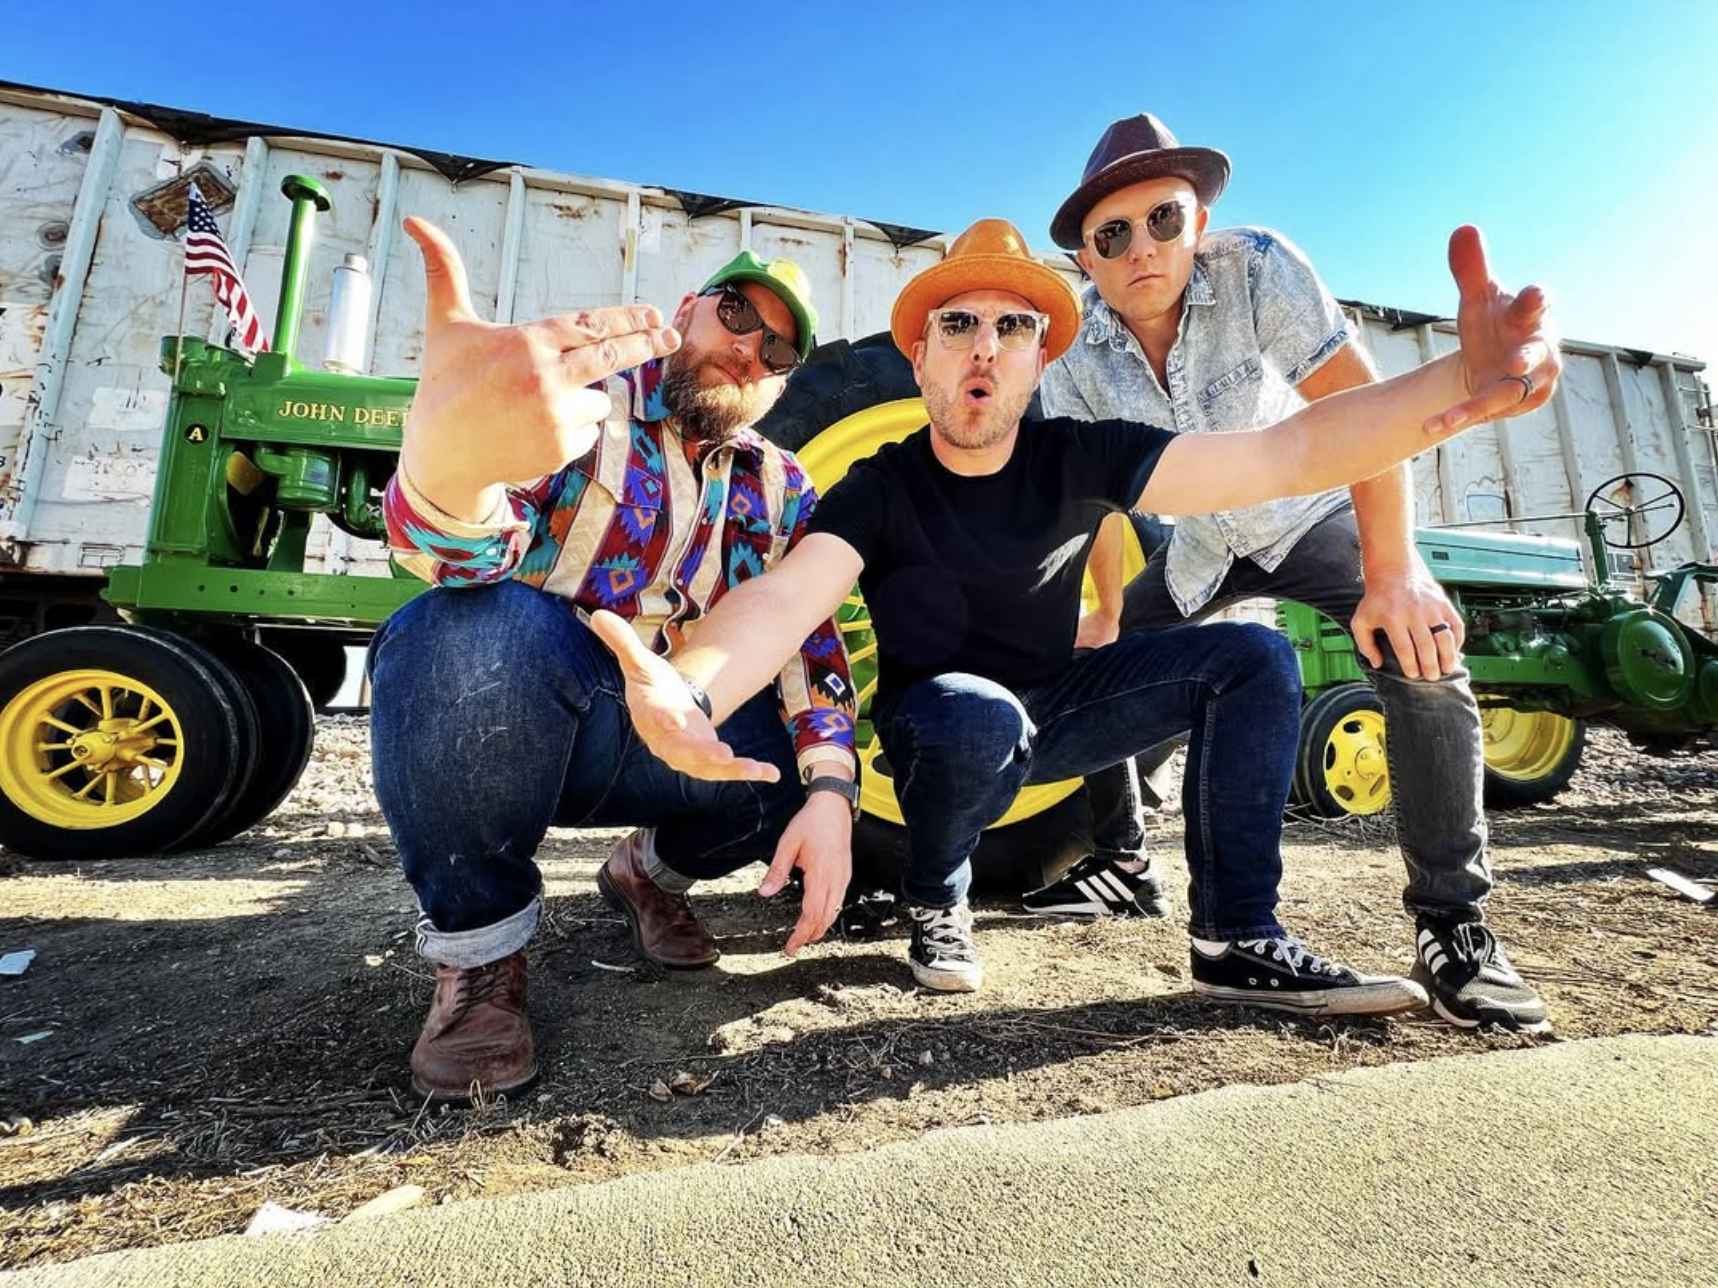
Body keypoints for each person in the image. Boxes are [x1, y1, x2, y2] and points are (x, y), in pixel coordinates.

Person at [587, 217, 1558, 1013]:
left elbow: (1285, 453)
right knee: (974, 710)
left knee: (1254, 658)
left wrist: (1455, 385)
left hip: (1052, 712)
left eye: (1011, 328)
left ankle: (1237, 936)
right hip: (934, 730)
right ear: (919, 356)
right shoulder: (878, 485)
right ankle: (936, 902)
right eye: (958, 324)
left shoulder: (1082, 455)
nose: (983, 347)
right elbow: (784, 596)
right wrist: (689, 686)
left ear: (1038, 358)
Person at [1031, 113, 1551, 1035]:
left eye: (1164, 219)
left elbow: (1362, 410)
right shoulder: (1071, 353)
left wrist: (1395, 570)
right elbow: (1097, 506)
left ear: (1198, 222)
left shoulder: (1259, 267)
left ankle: (1454, 927)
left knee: (1422, 652)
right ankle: (1124, 860)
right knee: (1096, 668)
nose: (1142, 247)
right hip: (1199, 545)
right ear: (1085, 258)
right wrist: (1104, 612)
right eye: (1113, 235)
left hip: (1308, 512)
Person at [371, 218, 860, 1101]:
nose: (749, 347)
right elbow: (457, 557)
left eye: (778, 349)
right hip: (526, 704)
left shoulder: (782, 484)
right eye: (737, 313)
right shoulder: (577, 405)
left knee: (791, 767)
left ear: (781, 382)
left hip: (670, 730)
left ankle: (646, 876)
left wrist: (832, 788)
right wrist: (451, 477)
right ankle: (481, 959)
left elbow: (805, 637)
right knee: (463, 629)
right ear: (688, 307)